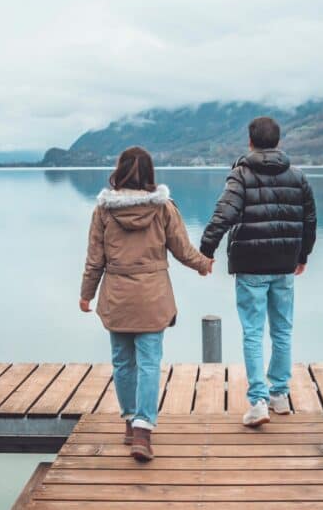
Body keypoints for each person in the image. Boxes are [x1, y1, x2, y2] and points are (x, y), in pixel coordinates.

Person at [80, 146, 213, 461]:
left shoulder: (103, 211)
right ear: (150, 173)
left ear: (119, 171)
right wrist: (203, 264)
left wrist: (86, 293)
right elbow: (181, 249)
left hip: (117, 295)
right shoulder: (163, 208)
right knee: (150, 363)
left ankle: (130, 421)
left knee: (123, 362)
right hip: (153, 296)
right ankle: (143, 430)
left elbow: (94, 259)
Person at [200, 116, 317, 427]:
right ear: (278, 142)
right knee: (282, 330)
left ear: (250, 142)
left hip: (250, 263)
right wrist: (302, 255)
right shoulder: (298, 176)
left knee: (253, 332)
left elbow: (222, 214)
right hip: (284, 264)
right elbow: (309, 221)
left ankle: (258, 402)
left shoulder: (241, 175)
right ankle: (279, 394)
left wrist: (206, 251)